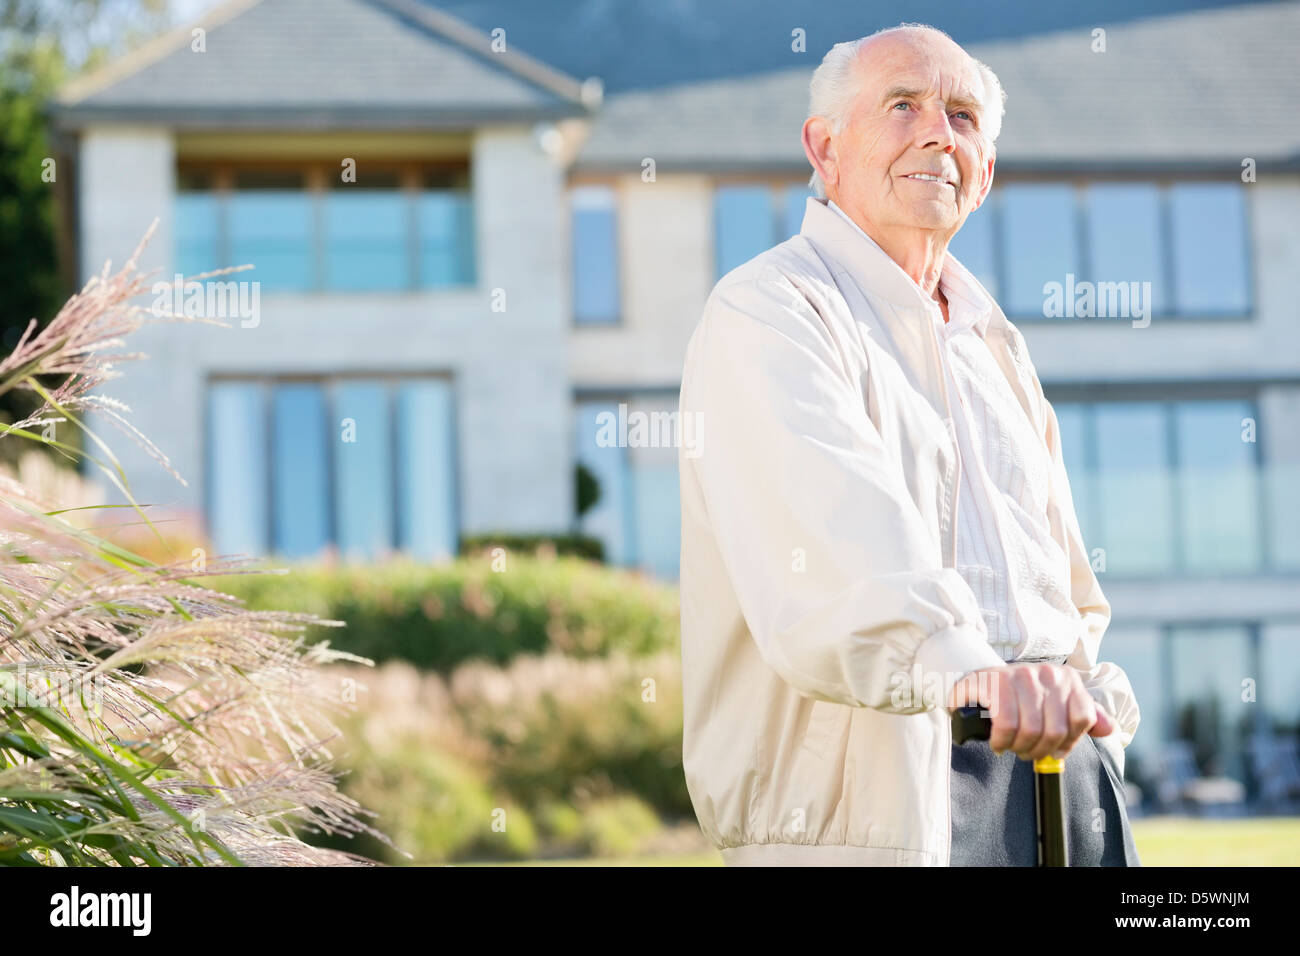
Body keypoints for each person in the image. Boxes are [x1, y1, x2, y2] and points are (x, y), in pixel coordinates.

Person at [676, 22, 1141, 866]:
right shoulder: (770, 311)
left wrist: (1092, 716)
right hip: (898, 806)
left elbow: (1063, 584)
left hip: (1063, 780)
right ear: (825, 147)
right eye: (902, 105)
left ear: (985, 172)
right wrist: (962, 665)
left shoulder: (995, 342)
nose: (938, 132)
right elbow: (837, 540)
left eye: (963, 116)